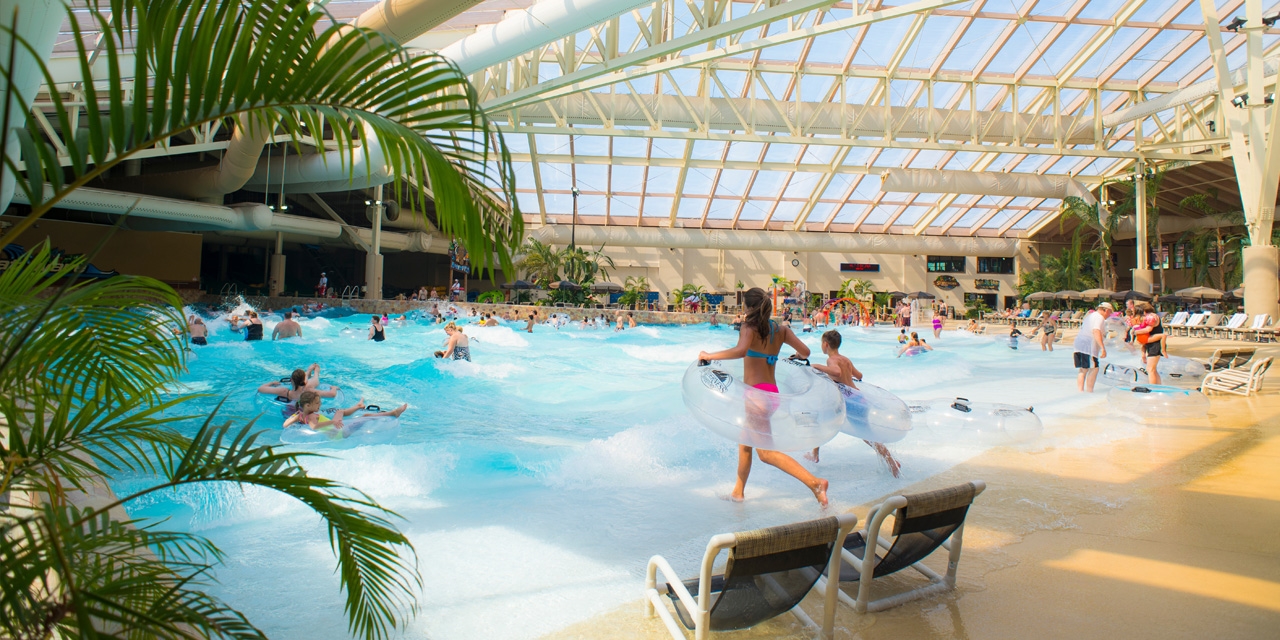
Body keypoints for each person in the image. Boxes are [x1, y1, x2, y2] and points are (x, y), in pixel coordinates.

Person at [696, 287, 829, 506]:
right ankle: (738, 493)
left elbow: (740, 351)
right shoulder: (781, 329)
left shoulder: (748, 327)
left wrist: (708, 355)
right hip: (771, 393)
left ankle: (815, 483)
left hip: (756, 395)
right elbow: (805, 352)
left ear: (747, 307)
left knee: (766, 454)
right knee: (745, 443)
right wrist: (790, 355)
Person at [283, 390, 407, 435]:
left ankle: (358, 405)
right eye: (317, 403)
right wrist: (333, 421)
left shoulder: (301, 414)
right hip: (342, 432)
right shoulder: (311, 417)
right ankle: (393, 413)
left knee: (340, 411)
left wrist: (296, 418)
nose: (320, 405)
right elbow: (314, 426)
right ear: (308, 405)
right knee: (366, 416)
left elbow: (285, 425)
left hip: (337, 427)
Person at [258, 366, 340, 415]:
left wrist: (272, 383)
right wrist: (334, 388)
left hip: (289, 414)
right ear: (305, 381)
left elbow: (260, 389)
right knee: (313, 382)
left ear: (291, 380)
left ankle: (310, 372)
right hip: (308, 416)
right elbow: (332, 395)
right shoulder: (309, 392)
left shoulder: (284, 392)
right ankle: (315, 372)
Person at [1073, 301, 1111, 392]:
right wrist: (1102, 348)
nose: (1110, 315)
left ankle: (1080, 391)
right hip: (1088, 346)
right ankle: (1090, 391)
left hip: (1078, 345)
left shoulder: (1090, 315)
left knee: (1083, 369)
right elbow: (1096, 331)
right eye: (1110, 312)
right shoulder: (1099, 317)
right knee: (1094, 368)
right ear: (1105, 310)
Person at [1133, 302, 1166, 384]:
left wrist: (1135, 332)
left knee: (1150, 369)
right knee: (1153, 369)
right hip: (1152, 344)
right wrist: (1143, 352)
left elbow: (1148, 330)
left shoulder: (1152, 317)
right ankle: (1158, 387)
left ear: (1144, 311)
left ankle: (1153, 389)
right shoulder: (1152, 316)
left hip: (1155, 344)